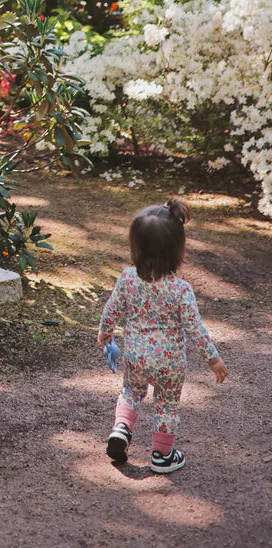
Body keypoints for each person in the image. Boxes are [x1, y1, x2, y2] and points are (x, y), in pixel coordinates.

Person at [97, 197, 229, 474]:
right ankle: (162, 455)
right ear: (176, 250)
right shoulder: (180, 289)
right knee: (166, 405)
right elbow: (196, 328)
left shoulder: (127, 278)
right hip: (170, 365)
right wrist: (213, 359)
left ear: (136, 247)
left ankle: (121, 429)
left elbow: (112, 309)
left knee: (131, 392)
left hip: (135, 356)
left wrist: (105, 331)